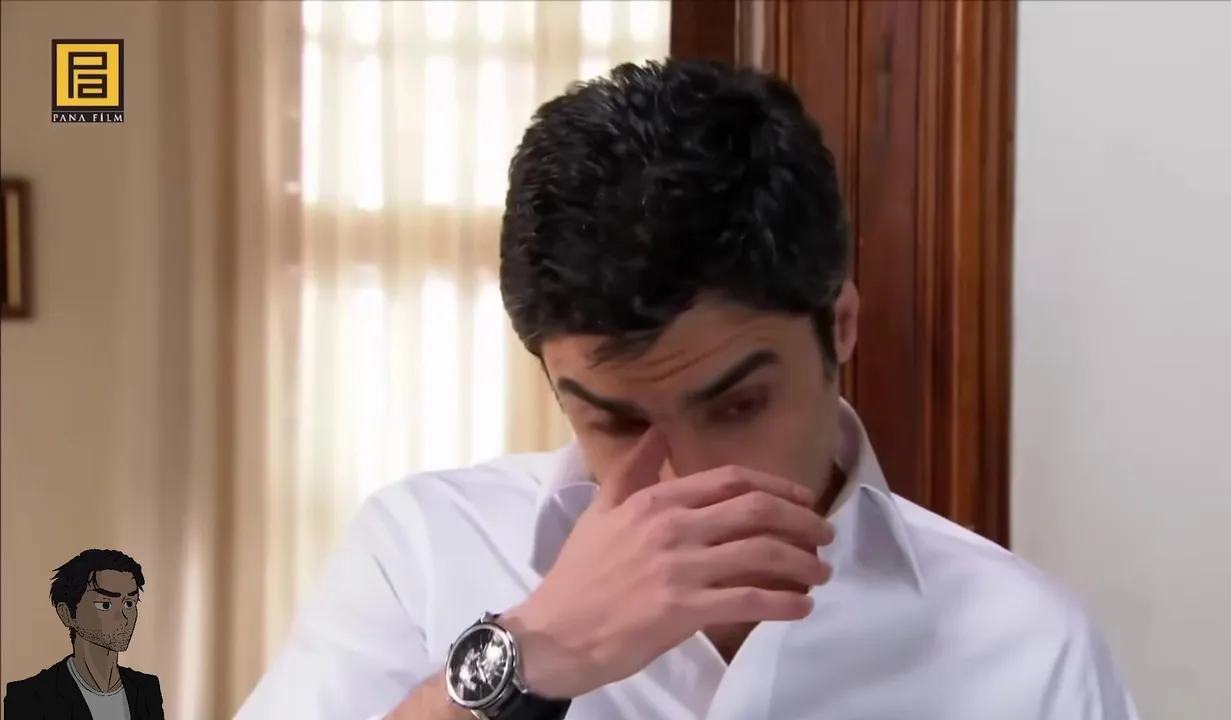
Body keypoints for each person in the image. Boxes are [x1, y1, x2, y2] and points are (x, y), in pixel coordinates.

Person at [236, 59, 1138, 720]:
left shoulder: (1026, 645)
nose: (687, 477)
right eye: (617, 421)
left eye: (738, 405)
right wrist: (530, 656)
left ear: (841, 325)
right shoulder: (422, 553)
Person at [4, 549, 166, 719]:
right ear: (67, 614)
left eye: (129, 603)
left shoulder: (147, 689)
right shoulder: (29, 697)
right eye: (105, 605)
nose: (123, 617)